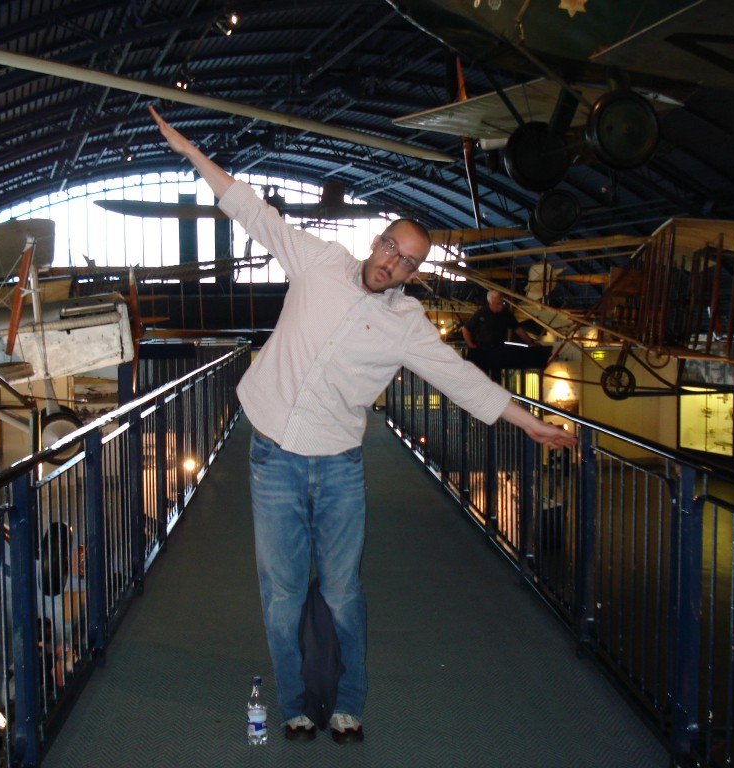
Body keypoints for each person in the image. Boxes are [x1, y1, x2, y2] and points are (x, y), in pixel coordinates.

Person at [150, 105, 576, 745]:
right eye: (392, 249)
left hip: (339, 466)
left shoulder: (408, 325)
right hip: (272, 457)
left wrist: (527, 422)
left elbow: (460, 378)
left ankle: (349, 703)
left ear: (413, 273)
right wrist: (191, 154)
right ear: (378, 242)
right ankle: (295, 704)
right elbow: (253, 211)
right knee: (283, 594)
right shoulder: (318, 260)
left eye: (409, 263)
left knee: (343, 592)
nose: (394, 264)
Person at [462, 289, 538, 376]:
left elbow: (518, 329)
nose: (501, 306)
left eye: (502, 303)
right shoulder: (481, 313)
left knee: (496, 375)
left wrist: (530, 342)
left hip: (498, 349)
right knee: (482, 375)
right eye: (497, 303)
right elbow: (466, 329)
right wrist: (470, 344)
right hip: (482, 349)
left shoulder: (506, 314)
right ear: (490, 303)